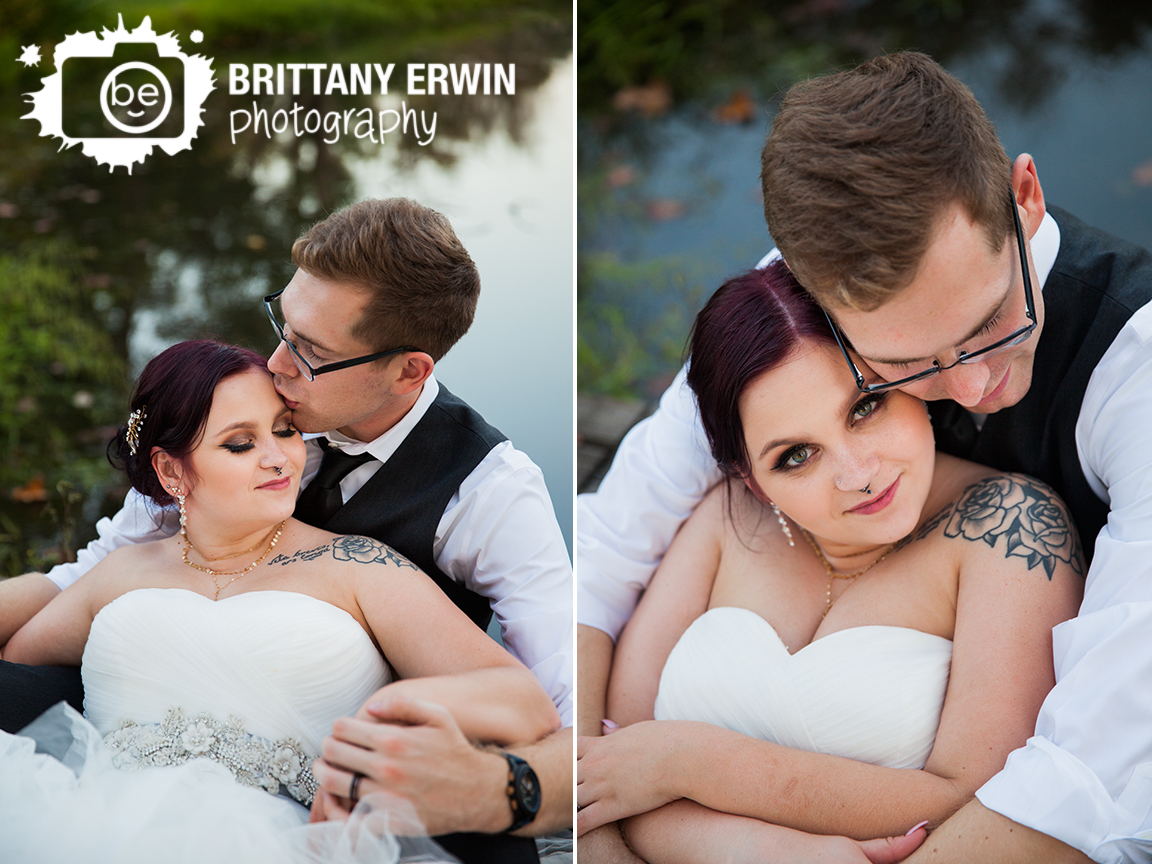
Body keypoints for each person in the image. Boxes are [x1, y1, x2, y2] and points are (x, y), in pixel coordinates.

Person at [577, 52, 1152, 864]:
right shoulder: (803, 294)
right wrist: (594, 832)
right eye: (902, 365)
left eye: (993, 321)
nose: (974, 384)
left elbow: (1095, 774)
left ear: (1025, 197)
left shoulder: (1140, 368)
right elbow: (610, 546)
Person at [0, 198, 574, 850]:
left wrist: (485, 785)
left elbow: (558, 710)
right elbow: (87, 575)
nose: (275, 362)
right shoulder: (250, 401)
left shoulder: (490, 493)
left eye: (309, 350)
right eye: (283, 325)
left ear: (408, 371)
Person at [575, 263, 1083, 862]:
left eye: (865, 407)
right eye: (795, 456)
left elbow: (976, 799)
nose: (858, 475)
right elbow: (616, 762)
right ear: (754, 481)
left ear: (911, 379)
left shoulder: (1012, 527)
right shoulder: (728, 517)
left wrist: (696, 763)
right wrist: (763, 851)